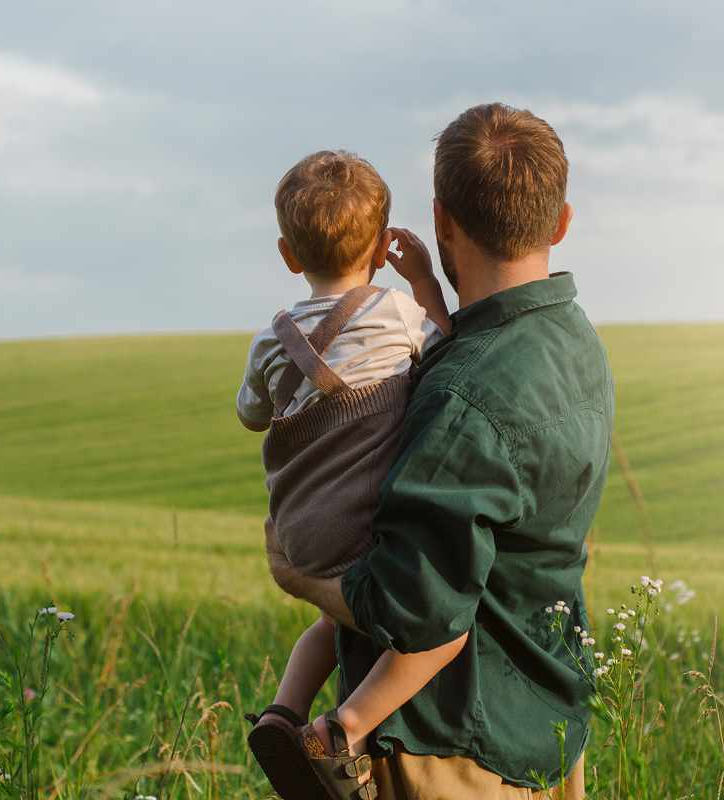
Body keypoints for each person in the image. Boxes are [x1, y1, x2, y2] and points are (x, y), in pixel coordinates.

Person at [266, 103, 614, 799]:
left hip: (452, 751)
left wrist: (299, 577)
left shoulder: (461, 398)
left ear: (442, 222)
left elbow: (413, 611)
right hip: (543, 723)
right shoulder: (576, 344)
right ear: (562, 223)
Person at [237, 150, 467, 799]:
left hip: (300, 532)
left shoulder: (270, 339)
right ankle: (343, 729)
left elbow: (251, 416)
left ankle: (282, 714)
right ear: (379, 246)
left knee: (331, 624)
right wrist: (423, 278)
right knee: (439, 633)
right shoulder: (394, 312)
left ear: (288, 253)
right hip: (366, 528)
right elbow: (447, 339)